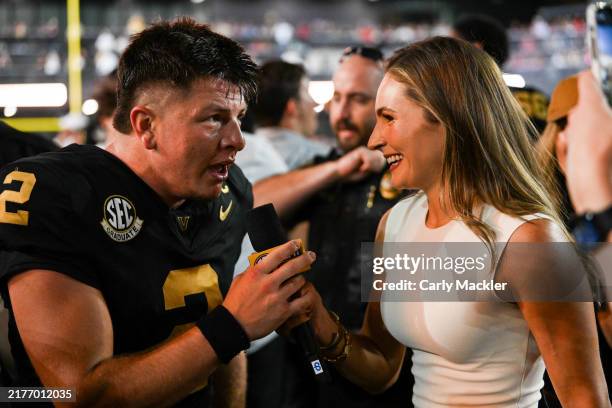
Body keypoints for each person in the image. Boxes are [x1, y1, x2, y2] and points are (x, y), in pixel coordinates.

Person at [0, 18, 313, 407]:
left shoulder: (230, 191)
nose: (236, 140)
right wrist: (234, 324)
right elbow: (79, 396)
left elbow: (225, 348)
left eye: (238, 118)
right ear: (146, 125)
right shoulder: (55, 192)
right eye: (214, 119)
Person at [297, 37, 610, 407]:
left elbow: (585, 399)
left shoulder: (529, 240)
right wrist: (319, 320)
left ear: (446, 117)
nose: (375, 139)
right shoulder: (394, 223)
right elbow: (381, 367)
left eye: (389, 118)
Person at [254, 46, 413, 408]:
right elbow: (257, 205)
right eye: (337, 98)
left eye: (358, 99)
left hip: (391, 365)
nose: (341, 112)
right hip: (318, 361)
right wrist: (339, 169)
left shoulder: (412, 175)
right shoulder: (327, 167)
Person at [452, 14, 549, 135]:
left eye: (450, 46)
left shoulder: (461, 105)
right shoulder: (537, 98)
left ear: (475, 50)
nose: (443, 55)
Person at [252, 60, 331, 169]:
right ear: (292, 107)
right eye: (307, 93)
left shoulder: (239, 153)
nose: (315, 103)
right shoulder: (320, 157)